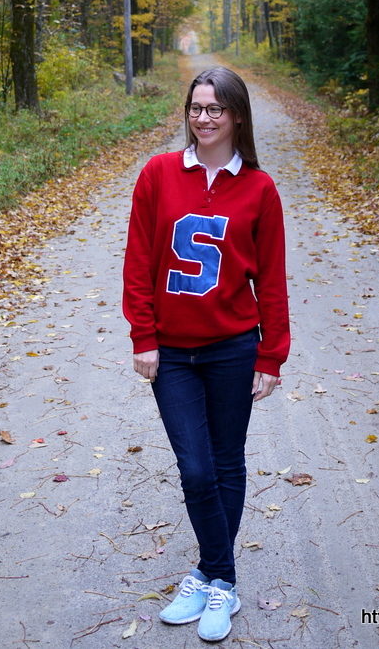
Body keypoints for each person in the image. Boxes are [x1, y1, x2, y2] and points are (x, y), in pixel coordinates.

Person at [122, 66, 290, 643]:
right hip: (171, 352)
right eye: (196, 107)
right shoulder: (159, 173)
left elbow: (272, 282)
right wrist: (143, 336)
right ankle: (221, 575)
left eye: (216, 108)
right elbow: (138, 260)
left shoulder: (260, 189)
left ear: (237, 116)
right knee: (195, 468)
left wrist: (271, 355)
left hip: (232, 349)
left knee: (226, 462)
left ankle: (213, 578)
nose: (204, 117)